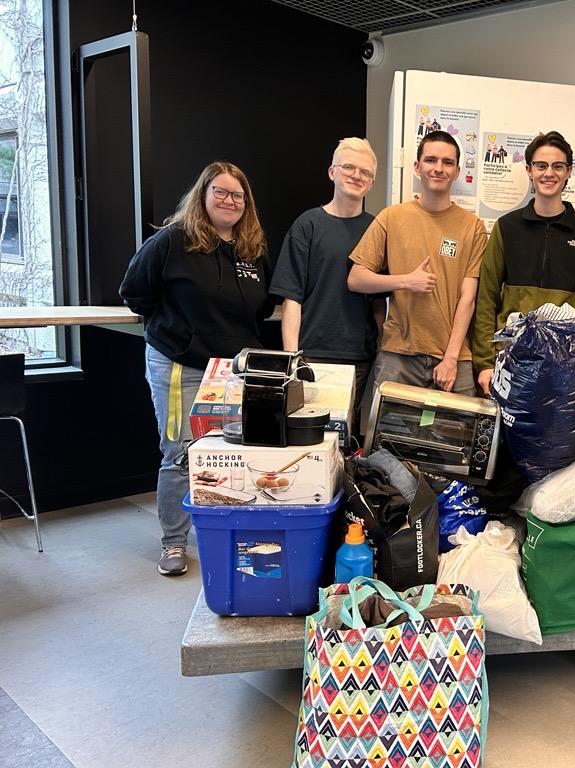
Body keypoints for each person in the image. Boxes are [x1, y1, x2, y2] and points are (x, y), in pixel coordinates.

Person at [119, 161, 274, 576]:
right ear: (202, 195)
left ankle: (227, 532)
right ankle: (174, 542)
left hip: (233, 370)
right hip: (180, 364)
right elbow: (134, 291)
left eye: (238, 195)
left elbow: (262, 309)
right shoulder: (173, 240)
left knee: (232, 453)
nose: (229, 200)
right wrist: (177, 328)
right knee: (181, 454)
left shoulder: (252, 249)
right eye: (220, 191)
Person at [348, 130, 487, 396]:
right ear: (417, 166)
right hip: (398, 354)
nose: (438, 168)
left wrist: (450, 358)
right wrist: (405, 281)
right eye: (431, 160)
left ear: (457, 171)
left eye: (447, 162)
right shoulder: (391, 217)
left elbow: (467, 298)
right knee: (389, 425)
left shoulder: (473, 227)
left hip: (453, 357)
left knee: (456, 425)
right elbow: (356, 279)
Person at [471, 130, 575, 396]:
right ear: (529, 170)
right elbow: (486, 297)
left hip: (566, 364)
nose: (549, 173)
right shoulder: (506, 228)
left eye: (558, 166)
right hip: (511, 357)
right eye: (541, 165)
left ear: (569, 171)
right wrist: (485, 362)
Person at [270, 138, 383, 437]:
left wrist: (381, 348)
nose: (356, 175)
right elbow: (291, 298)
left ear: (372, 183)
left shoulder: (377, 229)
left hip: (359, 356)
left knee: (347, 436)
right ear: (332, 172)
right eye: (349, 167)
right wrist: (292, 358)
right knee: (309, 435)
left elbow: (379, 303)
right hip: (312, 353)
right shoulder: (307, 225)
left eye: (365, 172)